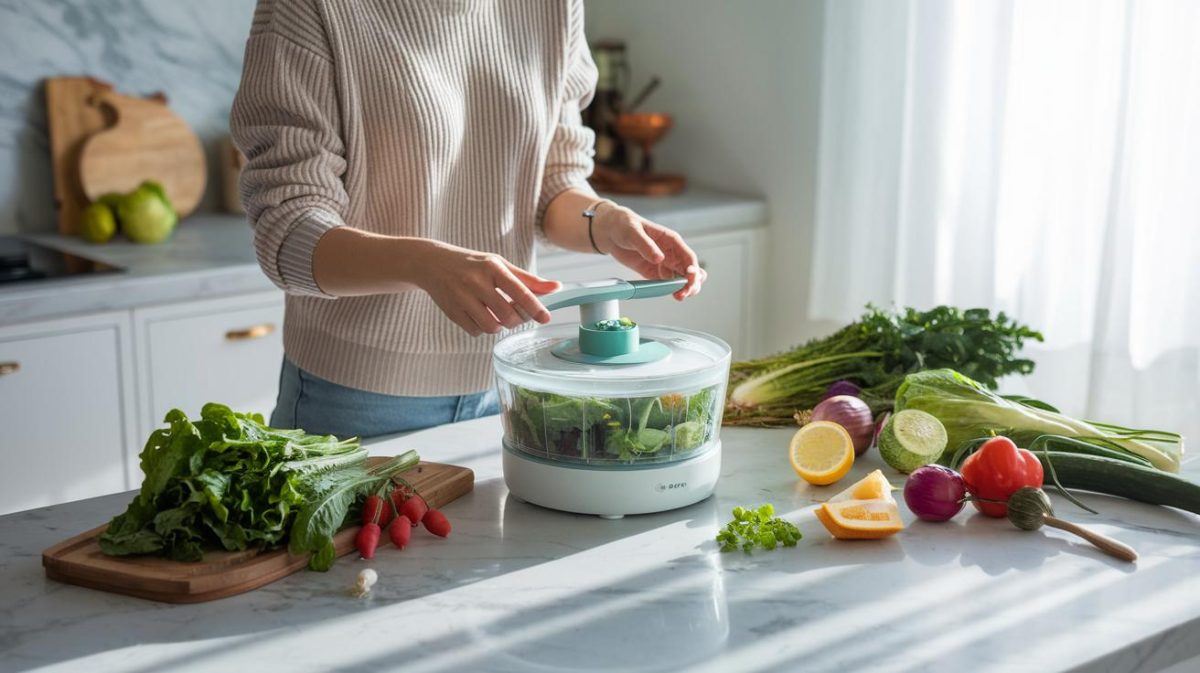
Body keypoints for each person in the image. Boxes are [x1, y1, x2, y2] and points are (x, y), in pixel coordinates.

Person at [231, 0, 705, 439]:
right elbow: (288, 233)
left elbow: (552, 182)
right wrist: (424, 264)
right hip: (356, 397)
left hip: (511, 383)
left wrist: (605, 221)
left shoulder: (552, 7)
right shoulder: (310, 8)